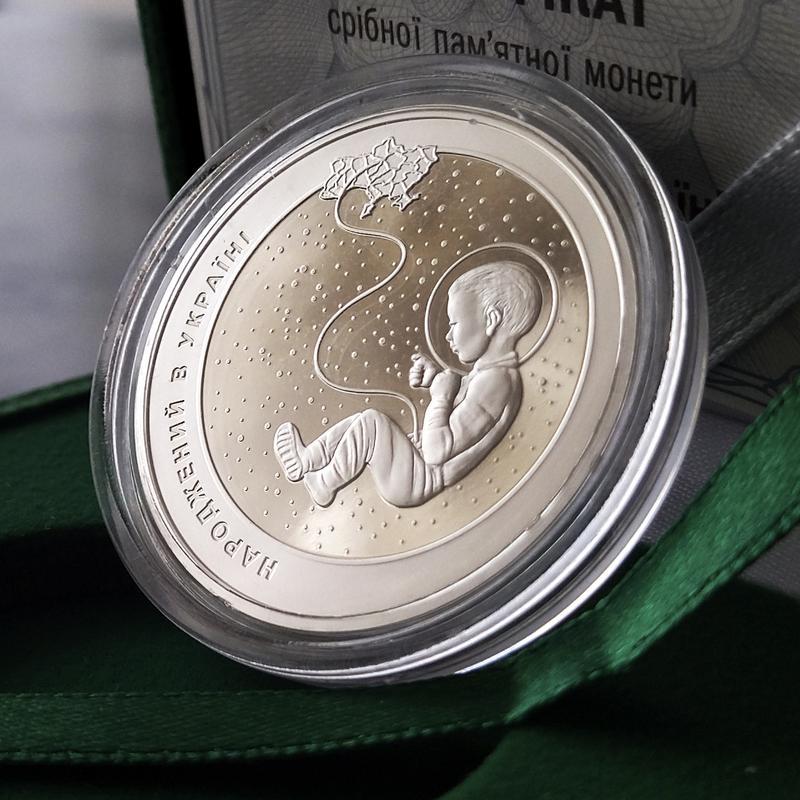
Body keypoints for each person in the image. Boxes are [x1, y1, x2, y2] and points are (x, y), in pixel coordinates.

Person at [274, 261, 542, 508]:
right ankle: (310, 459)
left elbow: (437, 452)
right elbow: (463, 409)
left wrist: (440, 398)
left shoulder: (496, 382)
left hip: (418, 479)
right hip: (415, 466)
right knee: (363, 422)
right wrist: (435, 380)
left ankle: (324, 483)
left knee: (371, 423)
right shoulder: (489, 375)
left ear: (491, 319)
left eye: (454, 323)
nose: (448, 336)